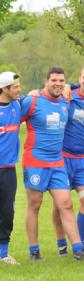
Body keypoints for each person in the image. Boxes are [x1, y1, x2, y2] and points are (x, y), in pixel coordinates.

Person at [21, 67, 84, 261]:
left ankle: (78, 249)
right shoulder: (33, 101)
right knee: (34, 205)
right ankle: (34, 251)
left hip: (57, 163)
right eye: (54, 80)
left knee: (66, 204)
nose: (58, 84)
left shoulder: (65, 102)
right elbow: (12, 119)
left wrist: (72, 86)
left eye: (62, 81)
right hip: (35, 162)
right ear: (46, 81)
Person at [52, 65, 84, 256]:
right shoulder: (67, 96)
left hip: (82, 159)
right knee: (60, 204)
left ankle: (79, 245)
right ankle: (61, 243)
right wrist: (67, 87)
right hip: (62, 158)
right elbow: (47, 93)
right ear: (79, 78)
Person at [0, 71, 21, 264]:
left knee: (7, 212)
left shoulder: (17, 105)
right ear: (4, 89)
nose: (18, 90)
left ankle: (3, 253)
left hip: (8, 170)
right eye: (15, 87)